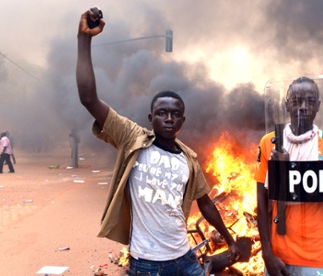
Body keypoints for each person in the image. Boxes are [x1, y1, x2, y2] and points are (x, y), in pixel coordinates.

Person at [76, 8, 240, 275]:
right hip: (146, 265)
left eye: (176, 114)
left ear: (182, 122)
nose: (169, 119)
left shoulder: (189, 159)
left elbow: (206, 204)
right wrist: (84, 40)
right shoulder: (133, 138)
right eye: (162, 113)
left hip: (185, 259)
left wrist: (230, 240)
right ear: (151, 117)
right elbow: (88, 99)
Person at [255, 77, 323, 276]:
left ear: (318, 106)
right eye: (296, 101)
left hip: (316, 257)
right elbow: (262, 205)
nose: (303, 107)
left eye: (310, 101)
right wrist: (267, 253)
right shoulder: (269, 142)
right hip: (278, 255)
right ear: (287, 105)